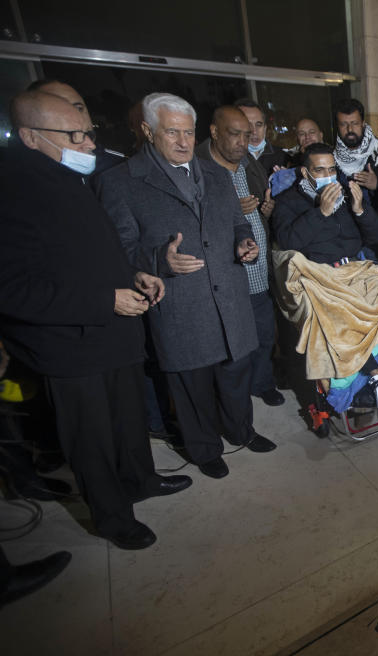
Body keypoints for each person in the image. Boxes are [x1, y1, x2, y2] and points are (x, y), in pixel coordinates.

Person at [0, 91, 191, 549]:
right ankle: (112, 517)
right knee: (91, 440)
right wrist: (104, 299)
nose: (87, 145)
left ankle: (140, 479)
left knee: (127, 422)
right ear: (29, 136)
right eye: (73, 135)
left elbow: (95, 255)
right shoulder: (13, 192)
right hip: (72, 343)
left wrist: (135, 275)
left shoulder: (69, 179)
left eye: (86, 133)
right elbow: (13, 289)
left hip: (115, 336)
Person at [99, 93, 277, 481]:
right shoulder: (120, 182)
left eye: (188, 132)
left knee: (235, 375)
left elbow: (237, 223)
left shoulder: (215, 173)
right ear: (148, 131)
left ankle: (241, 430)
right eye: (172, 132)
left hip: (229, 297)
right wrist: (160, 259)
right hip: (181, 303)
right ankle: (204, 448)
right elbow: (119, 250)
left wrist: (243, 242)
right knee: (191, 385)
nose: (183, 142)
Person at [272, 143, 378, 422]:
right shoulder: (287, 202)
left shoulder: (346, 193)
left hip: (357, 268)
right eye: (320, 170)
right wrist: (321, 213)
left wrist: (358, 210)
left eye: (332, 169)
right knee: (339, 316)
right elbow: (287, 243)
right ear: (305, 172)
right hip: (321, 277)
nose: (328, 175)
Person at [197, 106, 284, 406]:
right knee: (233, 345)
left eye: (247, 135)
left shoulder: (249, 164)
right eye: (235, 134)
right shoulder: (198, 168)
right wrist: (233, 212)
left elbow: (265, 206)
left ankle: (263, 383)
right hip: (227, 276)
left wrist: (266, 212)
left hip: (259, 270)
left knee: (263, 335)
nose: (242, 143)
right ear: (214, 132)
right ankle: (234, 401)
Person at [25, 79, 126, 177]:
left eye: (78, 108)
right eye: (60, 110)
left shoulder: (119, 168)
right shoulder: (23, 177)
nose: (73, 115)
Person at [333, 98, 378, 192]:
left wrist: (377, 185)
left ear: (363, 124)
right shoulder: (330, 159)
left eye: (354, 123)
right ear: (337, 126)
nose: (350, 129)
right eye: (343, 124)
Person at [235, 97, 289, 173]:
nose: (254, 131)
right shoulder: (231, 157)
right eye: (248, 125)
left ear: (265, 128)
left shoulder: (282, 157)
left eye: (258, 124)